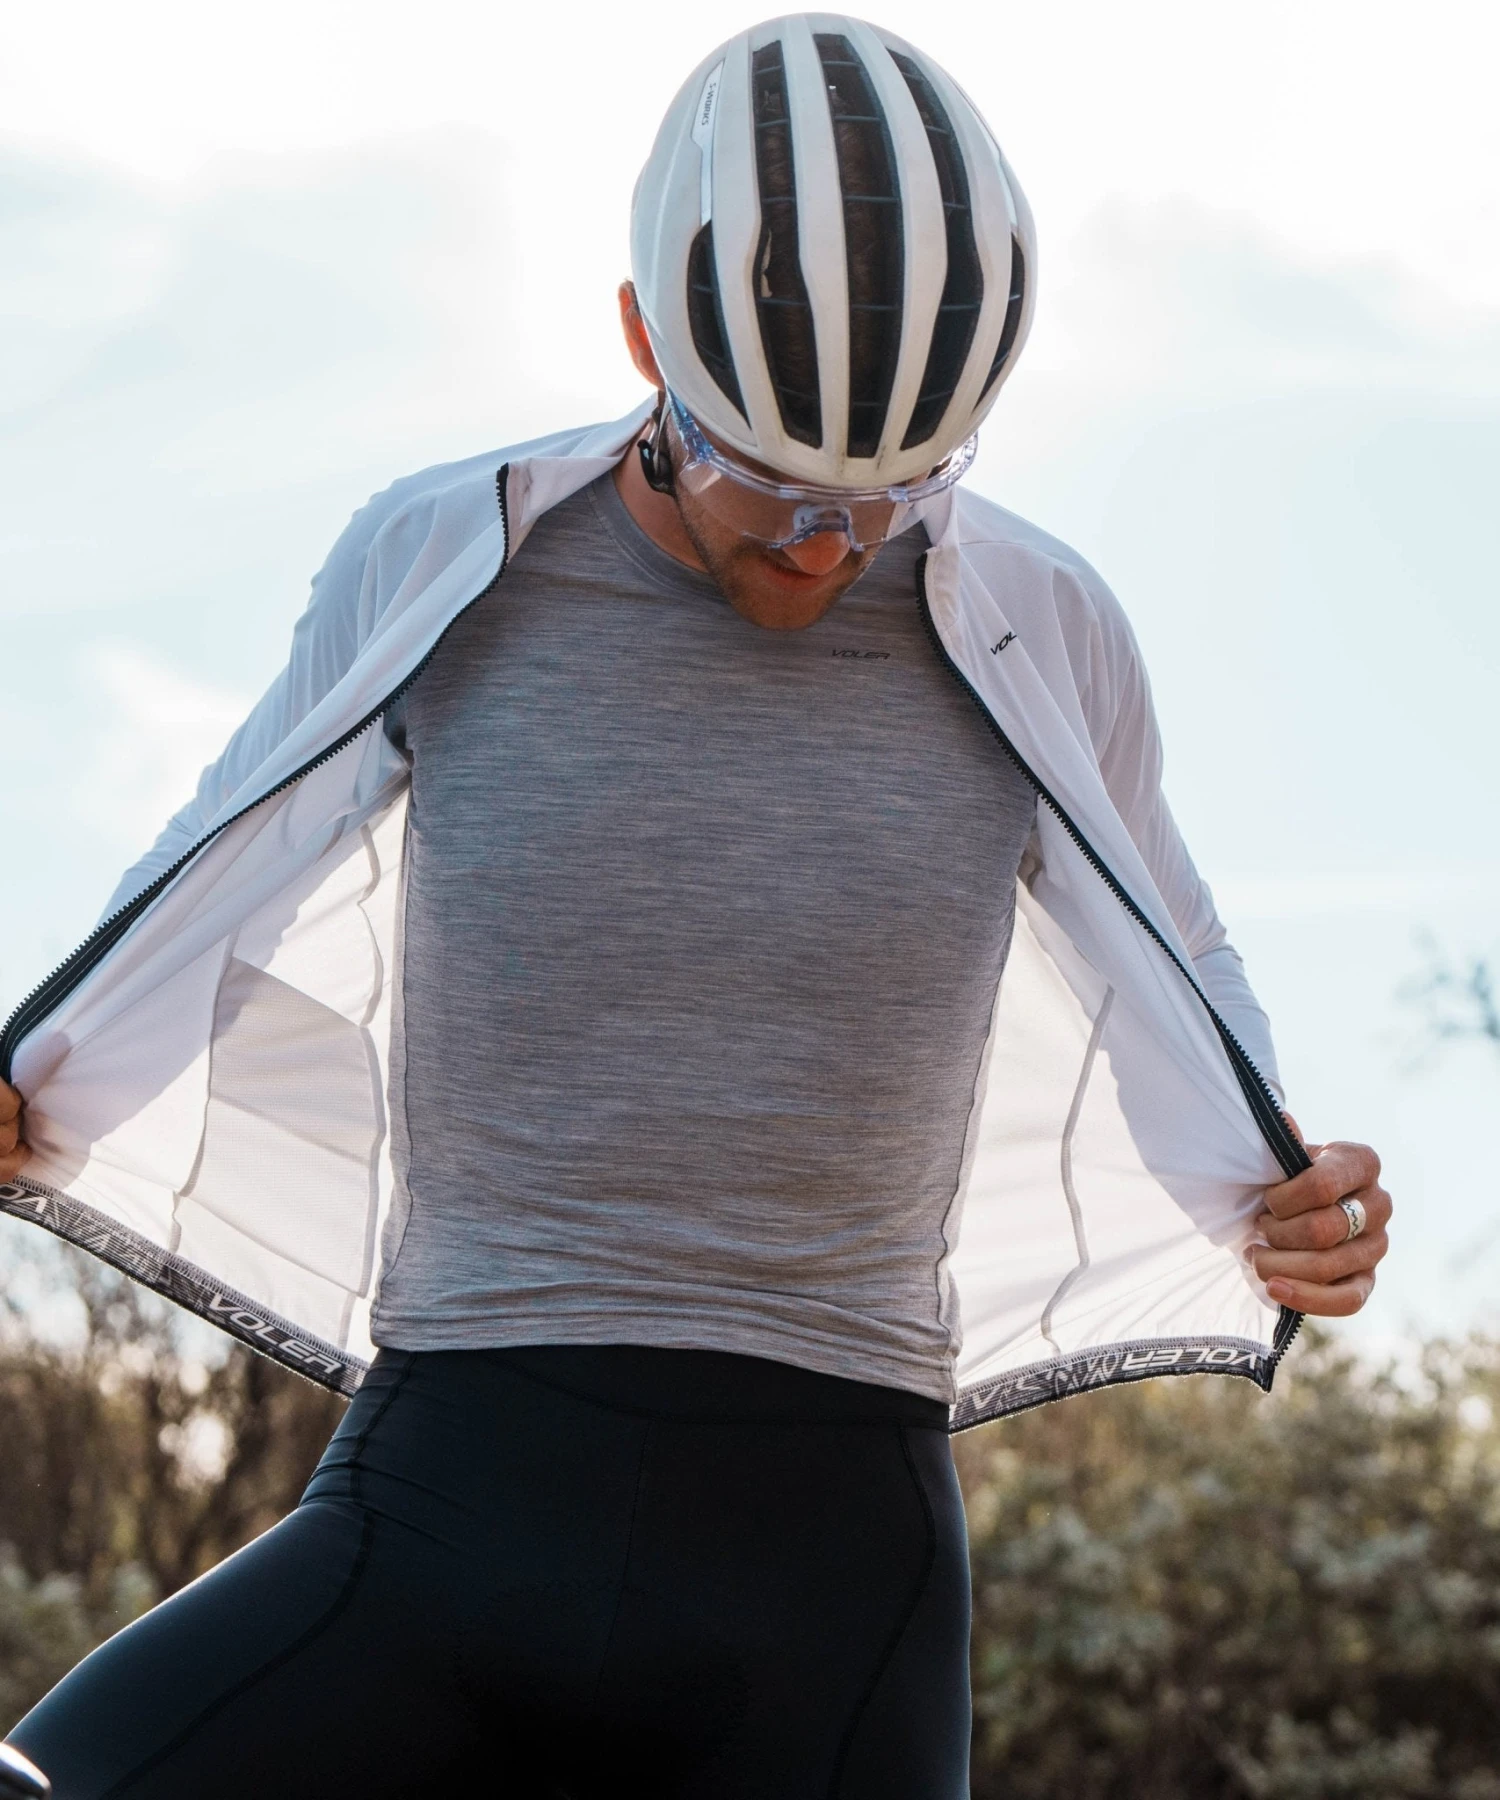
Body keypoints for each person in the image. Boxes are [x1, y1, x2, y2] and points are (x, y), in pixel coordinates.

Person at [0, 15, 1391, 1796]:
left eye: (896, 497)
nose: (830, 547)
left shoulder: (1045, 626)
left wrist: (1287, 1189)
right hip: (451, 1480)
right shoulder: (447, 559)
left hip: (836, 1576)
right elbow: (217, 860)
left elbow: (1181, 946)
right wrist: (36, 1069)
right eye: (780, 487)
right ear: (645, 340)